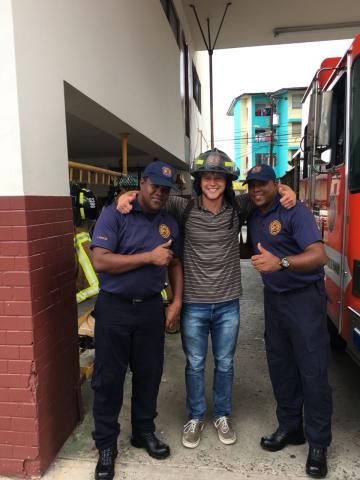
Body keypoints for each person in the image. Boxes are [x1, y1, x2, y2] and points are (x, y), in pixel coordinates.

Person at [117, 148, 296, 449]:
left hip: (228, 303)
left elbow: (264, 192)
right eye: (208, 177)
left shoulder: (238, 207)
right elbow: (153, 195)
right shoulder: (181, 207)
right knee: (196, 364)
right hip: (194, 305)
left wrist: (284, 188)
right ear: (199, 180)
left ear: (227, 182)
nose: (213, 182)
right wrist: (129, 195)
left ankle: (222, 415)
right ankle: (196, 416)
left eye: (219, 177)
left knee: (225, 363)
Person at [90, 161, 183, 480]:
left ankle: (143, 432)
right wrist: (148, 257)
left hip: (150, 310)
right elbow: (100, 261)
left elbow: (174, 264)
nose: (160, 192)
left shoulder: (169, 222)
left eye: (166, 189)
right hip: (114, 308)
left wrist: (177, 301)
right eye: (155, 185)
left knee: (149, 374)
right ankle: (105, 445)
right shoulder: (115, 214)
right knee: (108, 380)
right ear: (142, 183)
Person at [245, 164, 332, 479]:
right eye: (252, 185)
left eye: (263, 185)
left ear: (275, 184)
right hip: (274, 301)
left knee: (313, 371)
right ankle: (291, 427)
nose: (256, 190)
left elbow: (319, 255)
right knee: (280, 367)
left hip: (304, 300)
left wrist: (280, 263)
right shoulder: (254, 214)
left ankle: (319, 443)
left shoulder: (295, 212)